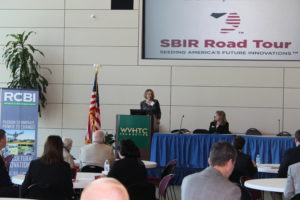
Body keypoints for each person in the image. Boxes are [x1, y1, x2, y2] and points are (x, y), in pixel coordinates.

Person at [21, 135, 73, 200]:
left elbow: (24, 188)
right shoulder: (65, 167)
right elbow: (69, 192)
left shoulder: (34, 164)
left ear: (46, 147)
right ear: (60, 148)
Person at [0, 129, 18, 197]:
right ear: (1, 141)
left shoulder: (1, 154)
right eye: (5, 139)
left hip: (4, 187)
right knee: (22, 191)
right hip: (2, 190)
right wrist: (11, 185)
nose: (6, 141)